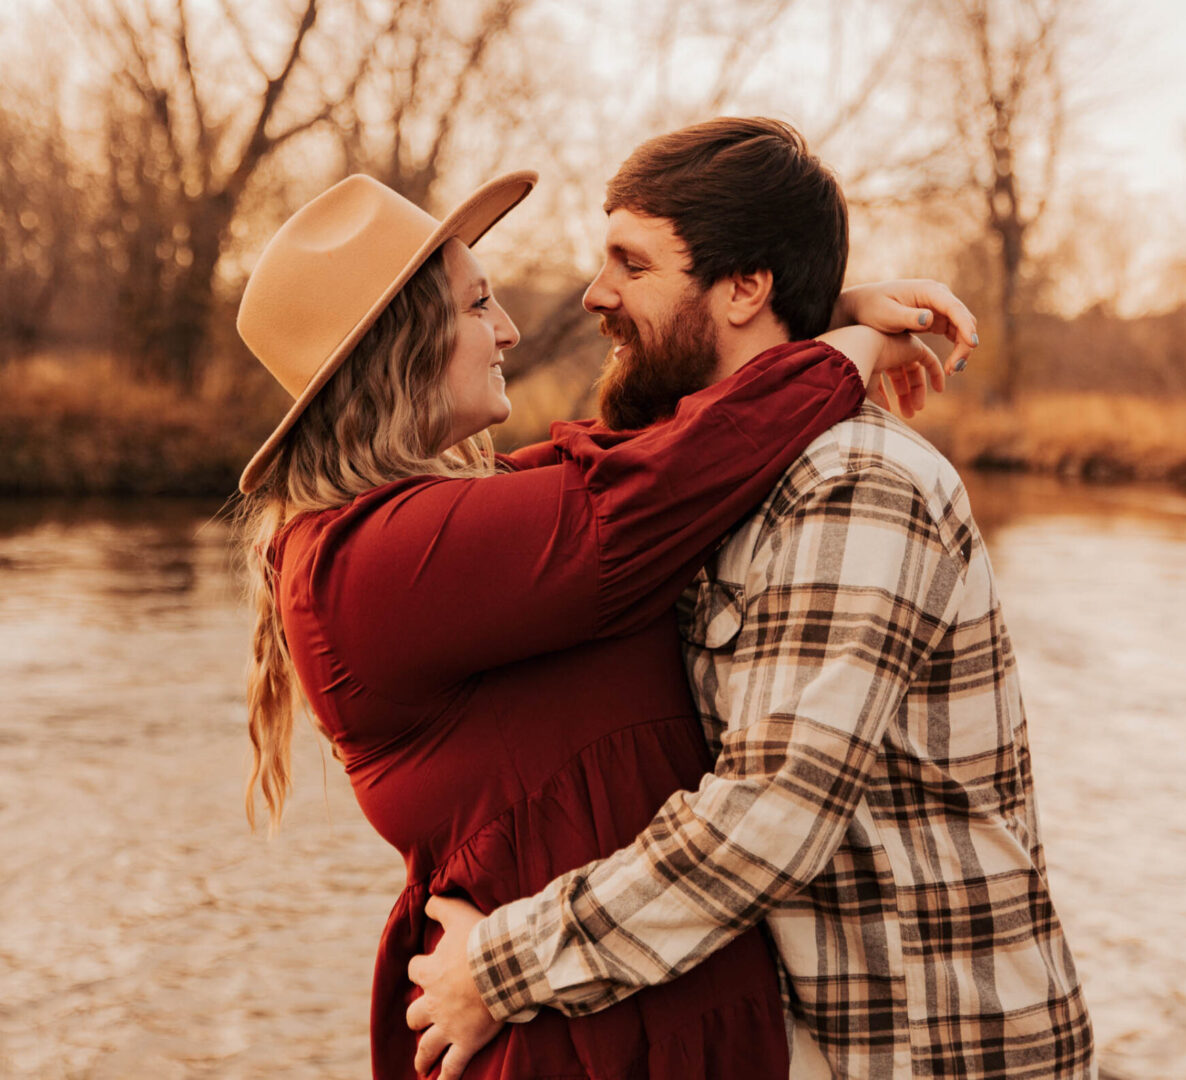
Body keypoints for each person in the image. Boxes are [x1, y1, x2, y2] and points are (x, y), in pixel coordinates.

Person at [406, 118, 1095, 1080]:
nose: (594, 293)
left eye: (630, 264)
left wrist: (499, 970)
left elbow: (770, 817)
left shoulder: (852, 479)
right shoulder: (709, 470)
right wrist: (840, 322)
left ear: (743, 286)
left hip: (927, 1051)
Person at [235, 167, 958, 1079]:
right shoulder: (377, 560)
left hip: (620, 1017)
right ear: (399, 347)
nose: (507, 329)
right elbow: (662, 480)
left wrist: (800, 318)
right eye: (478, 305)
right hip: (570, 1042)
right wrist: (837, 345)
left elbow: (648, 445)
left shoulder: (445, 518)